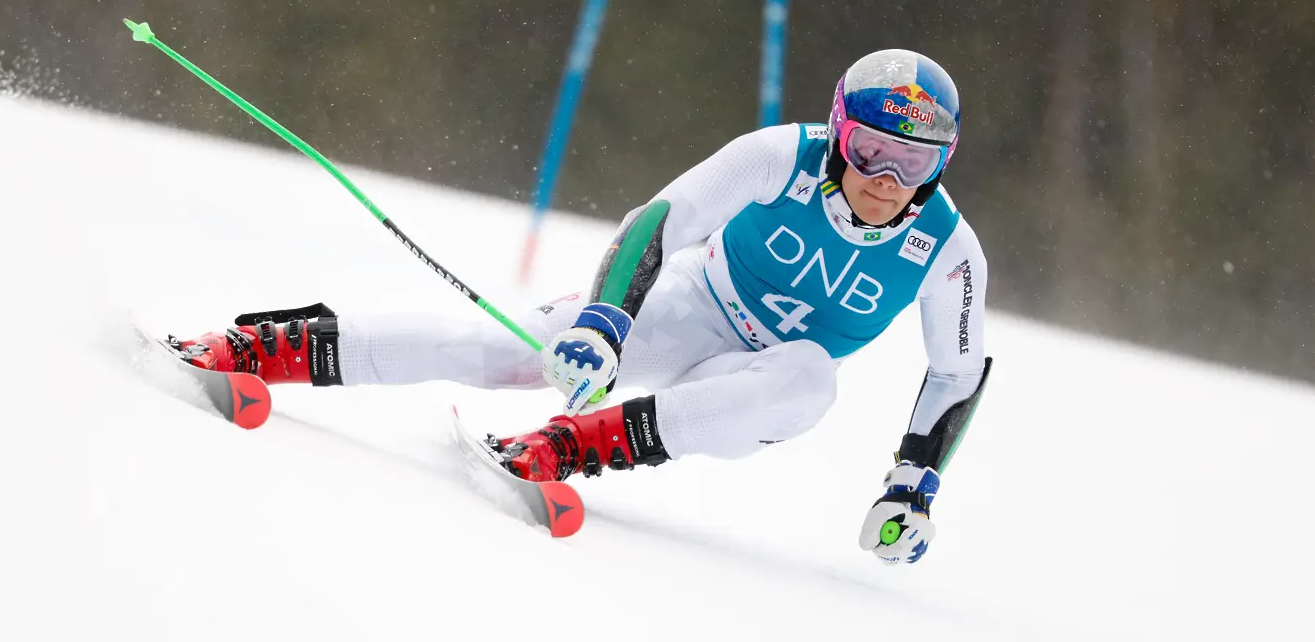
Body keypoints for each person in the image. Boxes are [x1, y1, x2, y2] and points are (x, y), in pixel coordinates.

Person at [171, 49, 991, 565]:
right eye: (873, 149)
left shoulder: (950, 252)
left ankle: (563, 449)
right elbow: (659, 224)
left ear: (938, 164)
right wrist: (606, 323)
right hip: (691, 305)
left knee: (812, 377)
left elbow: (956, 371)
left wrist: (913, 484)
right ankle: (264, 349)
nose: (887, 177)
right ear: (843, 131)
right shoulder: (781, 156)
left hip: (755, 380)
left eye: (912, 159)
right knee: (509, 350)